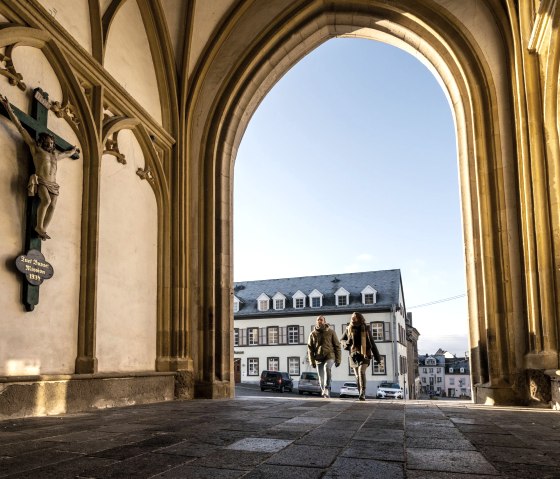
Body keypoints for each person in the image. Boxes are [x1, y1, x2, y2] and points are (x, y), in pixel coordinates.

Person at [0, 94, 79, 240]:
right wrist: (8, 108)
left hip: (53, 184)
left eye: (51, 143)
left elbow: (67, 153)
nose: (50, 144)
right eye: (48, 142)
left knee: (53, 205)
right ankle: (39, 226)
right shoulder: (36, 149)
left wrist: (73, 151)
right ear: (42, 142)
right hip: (42, 180)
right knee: (46, 201)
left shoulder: (55, 155)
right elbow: (20, 128)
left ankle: (43, 230)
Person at [341, 311, 381, 401]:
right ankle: (360, 393)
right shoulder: (348, 328)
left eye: (355, 316)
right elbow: (342, 340)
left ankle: (362, 392)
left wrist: (378, 358)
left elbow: (372, 344)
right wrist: (347, 342)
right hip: (353, 355)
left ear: (359, 318)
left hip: (365, 354)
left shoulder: (365, 329)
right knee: (357, 376)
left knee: (361, 372)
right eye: (352, 316)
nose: (352, 317)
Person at [307, 315, 341, 398]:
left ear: (324, 321)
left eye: (321, 320)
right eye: (318, 320)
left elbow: (337, 346)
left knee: (327, 367)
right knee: (321, 377)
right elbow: (310, 349)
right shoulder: (313, 334)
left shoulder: (331, 332)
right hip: (318, 357)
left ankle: (326, 387)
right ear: (316, 322)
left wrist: (338, 359)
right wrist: (312, 361)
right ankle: (325, 392)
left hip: (330, 355)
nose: (320, 321)